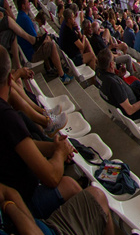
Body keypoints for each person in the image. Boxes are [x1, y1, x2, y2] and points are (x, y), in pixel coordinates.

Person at [0, 47, 81, 220]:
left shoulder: (9, 118)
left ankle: (47, 122)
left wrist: (55, 148)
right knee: (75, 187)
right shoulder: (6, 117)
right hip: (21, 206)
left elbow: (23, 144)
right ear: (8, 79)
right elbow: (51, 177)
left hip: (12, 194)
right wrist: (59, 153)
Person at [0, 182, 115, 235]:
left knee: (94, 194)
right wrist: (8, 206)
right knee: (97, 198)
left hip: (45, 227)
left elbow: (7, 191)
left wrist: (31, 228)